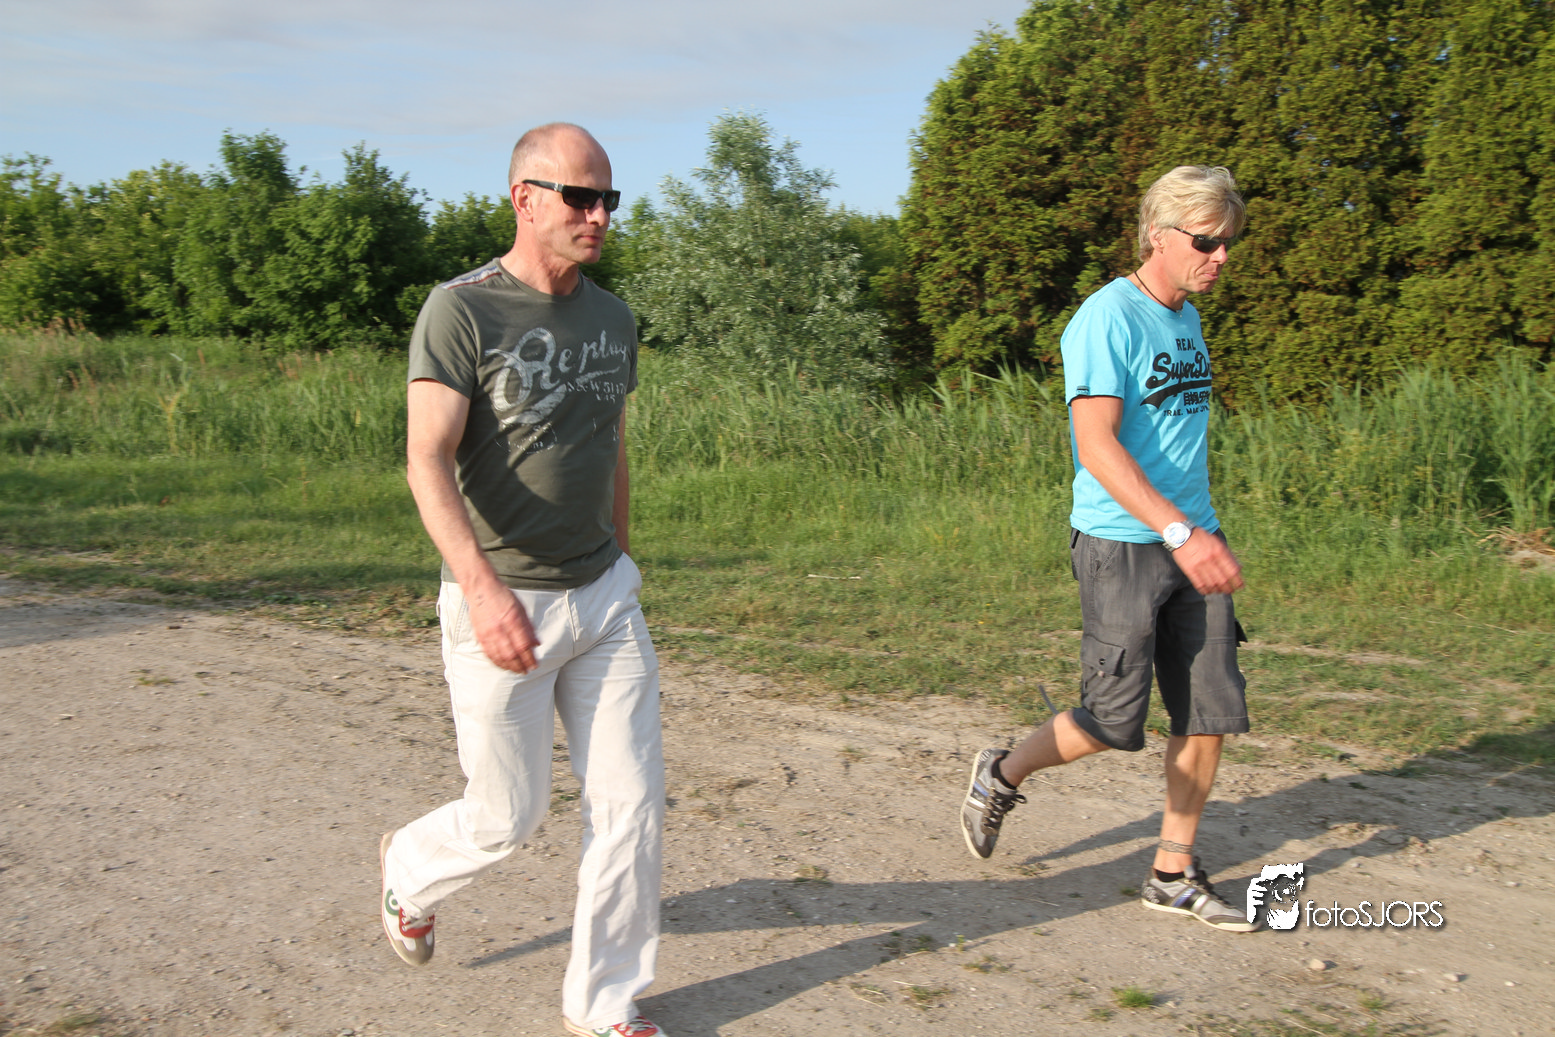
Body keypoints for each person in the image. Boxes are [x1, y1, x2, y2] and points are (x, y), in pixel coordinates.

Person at [380, 123, 668, 1037]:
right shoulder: (461, 311)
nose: (598, 215)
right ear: (524, 198)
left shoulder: (612, 317)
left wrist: (623, 558)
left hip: (604, 597)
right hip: (502, 599)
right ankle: (410, 869)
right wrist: (481, 588)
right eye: (580, 197)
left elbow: (609, 444)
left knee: (631, 807)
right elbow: (426, 459)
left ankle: (604, 1002)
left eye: (607, 198)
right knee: (507, 815)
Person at [959, 165, 1257, 933]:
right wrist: (1176, 532)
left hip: (1192, 536)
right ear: (1157, 232)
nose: (1221, 256)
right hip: (1123, 543)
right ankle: (1002, 770)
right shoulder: (1105, 318)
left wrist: (1195, 531)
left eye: (1228, 241)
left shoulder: (1186, 318)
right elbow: (1095, 446)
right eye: (1206, 241)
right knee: (1112, 719)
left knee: (1207, 707)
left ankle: (1171, 872)